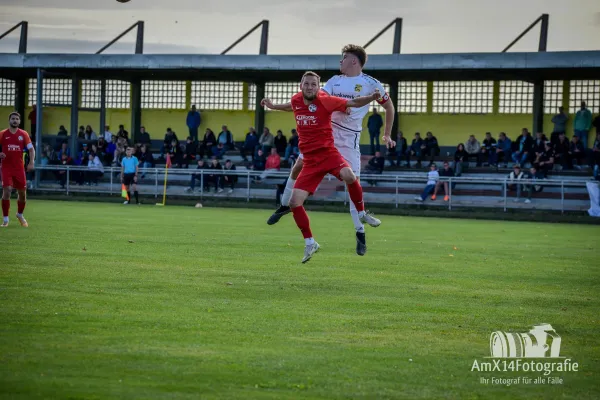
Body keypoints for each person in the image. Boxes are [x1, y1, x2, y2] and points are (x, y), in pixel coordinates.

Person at [266, 44, 396, 256]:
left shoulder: (372, 84)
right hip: (325, 135)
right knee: (298, 164)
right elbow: (311, 101)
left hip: (349, 139)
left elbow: (389, 107)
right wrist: (276, 106)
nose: (340, 62)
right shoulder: (334, 81)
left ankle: (360, 232)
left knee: (352, 180)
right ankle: (284, 205)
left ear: (354, 61)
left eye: (343, 58)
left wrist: (387, 134)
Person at [0, 112, 35, 227]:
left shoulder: (23, 134)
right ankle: (5, 220)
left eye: (16, 119)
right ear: (9, 120)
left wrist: (31, 162)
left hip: (19, 168)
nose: (15, 120)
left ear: (19, 121)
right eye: (13, 119)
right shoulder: (3, 134)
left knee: (22, 194)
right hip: (6, 167)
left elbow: (31, 149)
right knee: (7, 190)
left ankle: (19, 214)